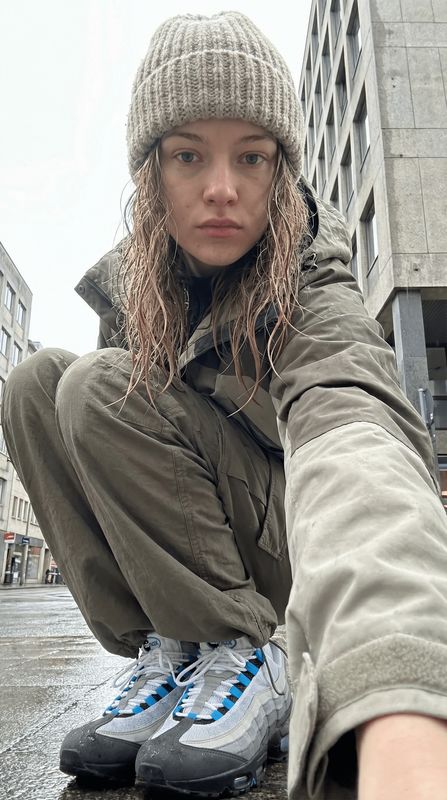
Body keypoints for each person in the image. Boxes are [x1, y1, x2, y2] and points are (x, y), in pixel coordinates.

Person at [3, 11, 447, 800]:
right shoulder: (137, 288)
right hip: (206, 548)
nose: (220, 189)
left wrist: (393, 680)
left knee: (98, 386)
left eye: (251, 157)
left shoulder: (310, 279)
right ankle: (174, 653)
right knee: (40, 387)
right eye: (187, 156)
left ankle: (248, 652)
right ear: (151, 172)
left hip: (290, 566)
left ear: (281, 171)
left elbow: (354, 431)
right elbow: (118, 457)